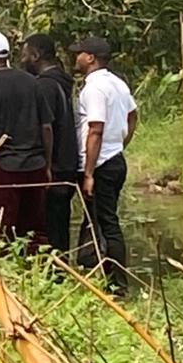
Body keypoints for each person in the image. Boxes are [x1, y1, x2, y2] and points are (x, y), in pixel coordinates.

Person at [0, 31, 52, 250]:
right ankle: (34, 276)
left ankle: (2, 280)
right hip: (35, 168)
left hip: (2, 171)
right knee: (34, 233)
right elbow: (46, 127)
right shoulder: (32, 82)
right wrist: (47, 165)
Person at [70, 36, 138, 295]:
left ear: (91, 58)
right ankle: (98, 271)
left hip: (101, 164)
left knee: (107, 223)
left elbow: (95, 129)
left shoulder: (94, 88)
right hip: (114, 159)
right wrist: (121, 143)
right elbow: (133, 115)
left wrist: (88, 172)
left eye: (80, 53)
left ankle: (117, 285)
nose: (76, 58)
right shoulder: (117, 83)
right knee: (98, 219)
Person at [20, 33, 79, 256]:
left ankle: (55, 272)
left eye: (25, 55)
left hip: (54, 166)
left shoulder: (45, 86)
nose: (23, 60)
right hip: (66, 162)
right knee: (59, 223)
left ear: (35, 55)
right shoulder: (61, 81)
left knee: (50, 225)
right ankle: (60, 269)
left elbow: (45, 127)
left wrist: (44, 164)